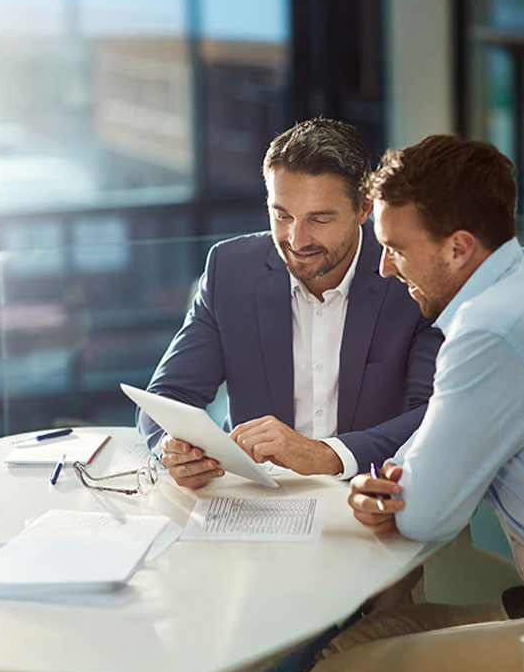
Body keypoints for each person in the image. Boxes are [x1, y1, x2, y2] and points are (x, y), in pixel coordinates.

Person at [301, 134, 524, 672]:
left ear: (458, 248)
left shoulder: (489, 331)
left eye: (397, 248)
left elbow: (425, 513)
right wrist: (391, 483)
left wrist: (392, 493)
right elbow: (423, 454)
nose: (384, 268)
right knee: (349, 647)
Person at [137, 118, 442, 488]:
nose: (297, 240)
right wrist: (172, 448)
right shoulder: (229, 271)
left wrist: (327, 455)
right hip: (256, 495)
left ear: (364, 209)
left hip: (367, 493)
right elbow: (167, 396)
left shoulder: (409, 278)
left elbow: (433, 414)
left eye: (319, 219)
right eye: (282, 215)